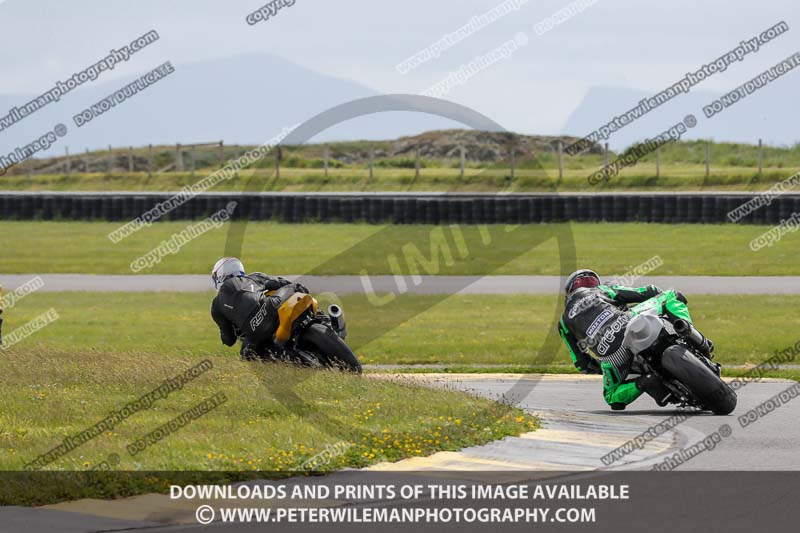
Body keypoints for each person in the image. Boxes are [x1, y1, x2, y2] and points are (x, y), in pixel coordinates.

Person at [557, 269, 711, 410]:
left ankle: (644, 382)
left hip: (611, 354)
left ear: (569, 292)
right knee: (672, 295)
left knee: (612, 397)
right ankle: (689, 333)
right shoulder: (603, 289)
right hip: (627, 322)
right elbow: (648, 291)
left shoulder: (564, 322)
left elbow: (581, 364)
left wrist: (599, 366)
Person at [210, 257, 308, 360]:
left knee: (246, 355)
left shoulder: (215, 305)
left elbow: (229, 340)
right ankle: (320, 317)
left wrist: (226, 337)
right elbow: (281, 283)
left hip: (253, 334)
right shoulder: (253, 277)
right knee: (296, 287)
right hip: (270, 309)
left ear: (220, 277)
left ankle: (289, 358)